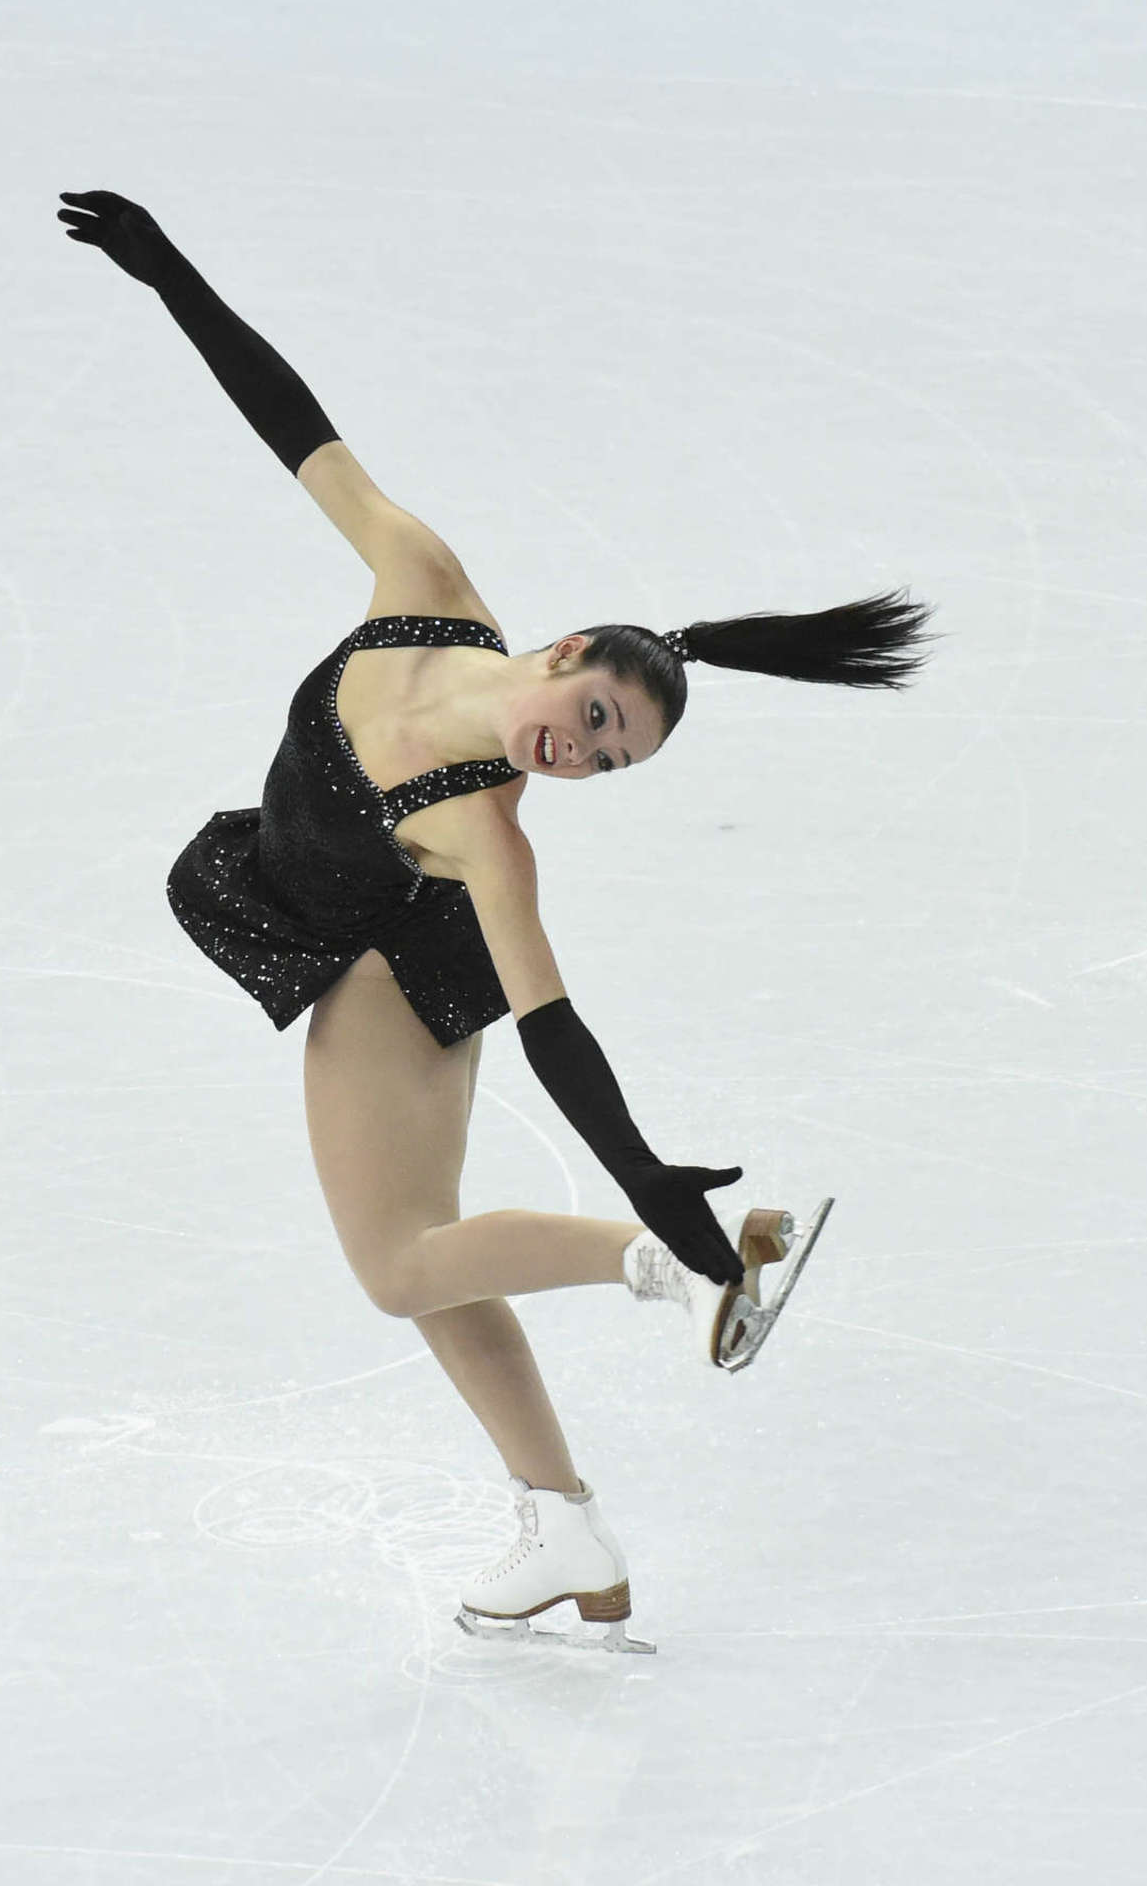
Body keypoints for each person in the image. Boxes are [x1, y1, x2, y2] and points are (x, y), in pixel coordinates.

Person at [58, 190, 939, 1652]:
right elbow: (292, 421)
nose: (578, 756)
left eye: (609, 762)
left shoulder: (485, 833)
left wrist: (655, 1187)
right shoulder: (423, 584)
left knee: (399, 1264)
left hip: (395, 966)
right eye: (592, 718)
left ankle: (670, 1268)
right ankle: (562, 1526)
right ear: (567, 647)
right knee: (434, 1263)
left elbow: (558, 1033)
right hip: (332, 925)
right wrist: (170, 275)